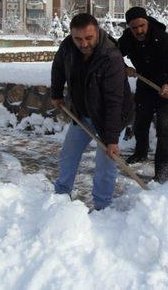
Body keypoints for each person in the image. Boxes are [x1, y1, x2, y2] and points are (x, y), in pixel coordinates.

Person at [51, 13, 133, 210]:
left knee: (106, 163)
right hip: (82, 114)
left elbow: (114, 101)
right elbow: (58, 67)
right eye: (78, 38)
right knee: (68, 155)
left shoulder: (110, 56)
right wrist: (56, 93)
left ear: (97, 32)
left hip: (109, 117)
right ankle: (61, 197)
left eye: (89, 38)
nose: (84, 44)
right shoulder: (68, 47)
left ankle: (102, 206)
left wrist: (112, 139)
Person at [118, 6, 168, 183]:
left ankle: (162, 171)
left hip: (166, 87)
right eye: (134, 27)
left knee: (163, 130)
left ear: (147, 22)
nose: (139, 30)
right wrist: (124, 68)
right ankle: (140, 153)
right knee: (140, 124)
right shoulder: (127, 39)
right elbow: (113, 54)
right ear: (129, 27)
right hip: (145, 84)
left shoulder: (162, 38)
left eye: (141, 26)